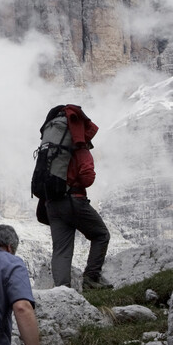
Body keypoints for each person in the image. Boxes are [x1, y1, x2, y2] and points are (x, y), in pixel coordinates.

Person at [43, 104, 112, 290]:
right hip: (73, 200)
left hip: (51, 203)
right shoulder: (80, 148)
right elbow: (87, 178)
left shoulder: (50, 149)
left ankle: (62, 291)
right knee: (101, 235)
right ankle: (91, 278)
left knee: (61, 249)